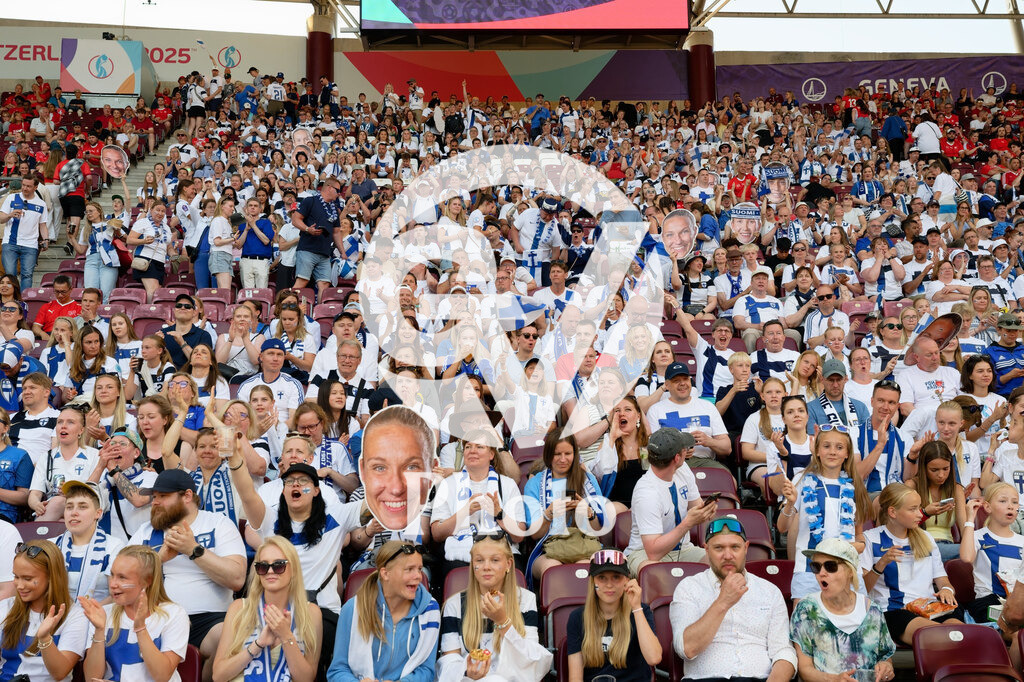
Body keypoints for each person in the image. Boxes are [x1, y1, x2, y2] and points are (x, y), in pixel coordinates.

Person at [128, 468, 247, 677]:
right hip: (154, 617)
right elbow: (123, 579)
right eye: (154, 497)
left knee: (230, 640)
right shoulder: (145, 531)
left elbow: (237, 579)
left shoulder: (218, 523)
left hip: (208, 620)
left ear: (187, 496)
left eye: (163, 496)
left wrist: (194, 550)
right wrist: (159, 559)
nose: (155, 502)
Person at [669, 517, 797, 680]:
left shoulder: (769, 591)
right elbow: (686, 649)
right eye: (719, 548)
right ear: (706, 550)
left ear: (746, 548)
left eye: (735, 547)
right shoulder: (689, 587)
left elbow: (783, 651)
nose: (728, 555)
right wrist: (723, 601)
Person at [438, 531, 552, 681]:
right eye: (479, 560)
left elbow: (532, 658)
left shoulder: (525, 600)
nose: (486, 567)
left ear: (508, 564)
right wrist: (466, 672)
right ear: (472, 564)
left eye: (495, 560)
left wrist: (503, 621)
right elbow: (449, 659)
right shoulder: (454, 604)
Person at [860, 482, 964, 645]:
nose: (919, 514)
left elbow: (942, 579)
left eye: (919, 507)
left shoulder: (926, 537)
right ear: (892, 512)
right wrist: (881, 564)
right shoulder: (870, 539)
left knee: (961, 637)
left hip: (931, 608)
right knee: (943, 639)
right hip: (894, 612)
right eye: (913, 509)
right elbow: (862, 589)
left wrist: (946, 590)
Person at [326, 540, 440, 682]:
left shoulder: (430, 610)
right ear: (385, 574)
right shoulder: (352, 609)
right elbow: (337, 671)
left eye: (419, 569)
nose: (418, 576)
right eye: (409, 569)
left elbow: (427, 670)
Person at [212, 536, 322, 682]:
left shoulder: (311, 613)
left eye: (279, 565)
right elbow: (218, 676)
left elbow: (306, 679)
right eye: (263, 566)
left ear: (293, 569)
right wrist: (258, 645)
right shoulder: (239, 608)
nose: (270, 571)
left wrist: (286, 636)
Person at [789, 538, 896, 682]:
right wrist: (834, 679)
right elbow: (804, 669)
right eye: (816, 566)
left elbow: (886, 658)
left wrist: (886, 667)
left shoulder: (872, 610)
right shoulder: (807, 610)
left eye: (830, 566)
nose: (822, 573)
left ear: (850, 571)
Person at [79, 545, 189, 682]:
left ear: (147, 580)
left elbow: (162, 676)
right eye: (112, 575)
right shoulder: (103, 614)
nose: (113, 584)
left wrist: (141, 629)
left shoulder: (174, 614)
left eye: (122, 578)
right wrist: (99, 630)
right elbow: (91, 678)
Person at [624, 428, 717, 576]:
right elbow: (653, 552)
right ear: (677, 458)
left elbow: (696, 506)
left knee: (722, 562)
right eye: (684, 448)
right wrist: (688, 523)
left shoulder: (683, 469)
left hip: (683, 549)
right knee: (653, 572)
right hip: (643, 552)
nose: (688, 449)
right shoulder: (647, 492)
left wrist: (706, 510)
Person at [566, 549, 661, 682]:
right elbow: (575, 678)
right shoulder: (577, 617)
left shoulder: (641, 611)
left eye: (616, 577)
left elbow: (654, 658)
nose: (609, 585)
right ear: (593, 582)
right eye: (602, 577)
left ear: (626, 579)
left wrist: (636, 607)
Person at [0, 540, 89, 681]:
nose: (19, 585)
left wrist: (45, 638)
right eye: (16, 577)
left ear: (51, 577)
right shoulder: (6, 607)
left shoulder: (75, 616)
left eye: (27, 578)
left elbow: (60, 673)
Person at [522, 433, 605, 582]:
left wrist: (588, 513)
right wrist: (548, 514)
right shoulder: (534, 484)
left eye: (568, 453)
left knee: (585, 569)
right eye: (557, 454)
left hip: (584, 546)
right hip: (547, 550)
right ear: (548, 455)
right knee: (553, 569)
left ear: (575, 454)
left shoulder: (588, 479)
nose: (563, 459)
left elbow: (599, 530)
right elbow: (535, 535)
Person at [360, 404, 438, 532]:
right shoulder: (357, 503)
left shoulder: (439, 499)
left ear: (432, 470)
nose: (396, 489)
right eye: (380, 468)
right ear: (362, 471)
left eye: (411, 467)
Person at [645, 362, 730, 469]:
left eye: (685, 379)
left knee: (729, 481)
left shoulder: (707, 407)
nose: (682, 383)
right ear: (667, 385)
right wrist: (677, 451)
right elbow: (653, 448)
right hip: (671, 464)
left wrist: (708, 441)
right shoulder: (656, 410)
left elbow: (727, 448)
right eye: (676, 381)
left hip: (704, 462)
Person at [960, 482, 1024, 623]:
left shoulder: (1022, 541)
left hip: (1017, 602)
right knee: (1013, 626)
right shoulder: (978, 536)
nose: (1010, 506)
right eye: (1003, 501)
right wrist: (970, 519)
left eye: (1015, 502)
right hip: (988, 602)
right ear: (987, 507)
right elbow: (966, 557)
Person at [53, 479, 125, 602]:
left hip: (99, 617)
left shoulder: (114, 546)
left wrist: (83, 617)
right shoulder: (51, 545)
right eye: (69, 507)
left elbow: (117, 593)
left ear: (98, 513)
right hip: (58, 617)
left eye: (82, 507)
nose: (74, 513)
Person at [907, 442, 965, 562]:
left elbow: (964, 528)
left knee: (975, 550)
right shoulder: (912, 486)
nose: (941, 475)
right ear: (924, 468)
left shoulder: (956, 488)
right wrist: (925, 513)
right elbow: (903, 525)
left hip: (948, 546)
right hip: (921, 545)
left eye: (946, 469)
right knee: (968, 552)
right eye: (934, 470)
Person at [0, 174, 48, 289]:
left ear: (35, 187)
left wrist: (46, 239)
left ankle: (24, 302)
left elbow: (43, 225)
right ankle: (11, 301)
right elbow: (1, 219)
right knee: (10, 275)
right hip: (10, 242)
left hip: (30, 244)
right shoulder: (12, 198)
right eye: (23, 185)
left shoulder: (41, 204)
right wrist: (10, 215)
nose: (25, 188)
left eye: (29, 186)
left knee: (27, 275)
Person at [806, 359, 869, 432]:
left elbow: (866, 438)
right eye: (831, 380)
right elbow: (812, 440)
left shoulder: (860, 407)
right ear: (822, 379)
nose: (835, 385)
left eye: (839, 380)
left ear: (846, 379)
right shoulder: (810, 409)